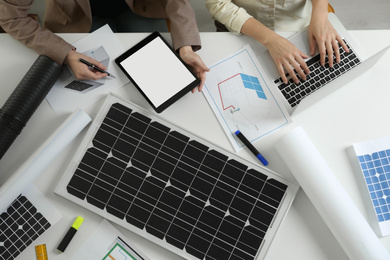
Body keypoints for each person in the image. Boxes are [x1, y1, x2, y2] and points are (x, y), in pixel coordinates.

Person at [0, 0, 209, 92]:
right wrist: (65, 54)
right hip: (75, 18)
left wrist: (186, 48)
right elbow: (10, 17)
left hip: (138, 7)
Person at [205, 0, 349, 84]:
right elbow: (218, 3)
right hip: (243, 29)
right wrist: (271, 40)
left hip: (302, 26)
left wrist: (321, 13)